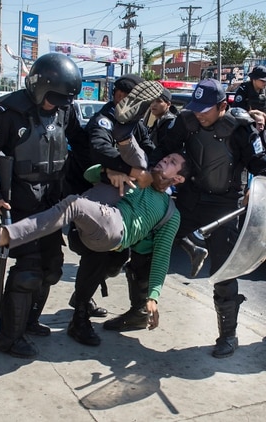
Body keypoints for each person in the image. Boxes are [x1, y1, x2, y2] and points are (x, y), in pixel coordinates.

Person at [0, 151, 189, 328]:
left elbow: (162, 256)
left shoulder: (171, 213)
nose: (164, 161)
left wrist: (153, 297)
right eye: (166, 157)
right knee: (71, 207)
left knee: (74, 205)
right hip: (95, 228)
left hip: (116, 232)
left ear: (178, 178)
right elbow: (89, 175)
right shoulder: (140, 178)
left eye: (171, 162)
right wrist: (110, 171)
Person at [0, 53, 87, 358]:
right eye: (52, 98)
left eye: (62, 101)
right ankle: (9, 338)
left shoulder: (64, 110)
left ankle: (29, 321)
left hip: (52, 200)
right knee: (29, 270)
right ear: (38, 87)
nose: (56, 105)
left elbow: (82, 142)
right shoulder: (10, 112)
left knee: (51, 269)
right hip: (21, 200)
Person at [156, 78, 266, 358]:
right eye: (196, 107)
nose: (199, 114)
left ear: (222, 106)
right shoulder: (186, 121)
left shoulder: (242, 129)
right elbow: (163, 149)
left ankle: (228, 336)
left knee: (223, 274)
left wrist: (256, 190)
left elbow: (262, 169)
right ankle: (140, 308)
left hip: (224, 205)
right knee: (152, 242)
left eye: (205, 109)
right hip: (191, 199)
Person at [63, 75, 161, 338]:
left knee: (117, 258)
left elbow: (150, 149)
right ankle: (79, 318)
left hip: (124, 205)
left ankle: (83, 294)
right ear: (119, 96)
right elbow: (99, 149)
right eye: (136, 99)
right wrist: (123, 169)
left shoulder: (135, 123)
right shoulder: (104, 120)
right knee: (96, 254)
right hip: (93, 200)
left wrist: (149, 170)